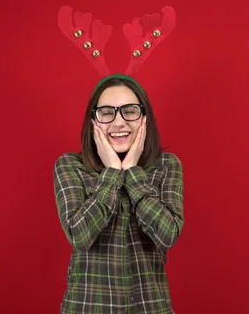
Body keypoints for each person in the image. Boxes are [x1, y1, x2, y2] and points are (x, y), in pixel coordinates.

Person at [53, 73, 184, 314]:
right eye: (106, 112)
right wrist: (113, 172)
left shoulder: (167, 166)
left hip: (151, 308)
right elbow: (79, 236)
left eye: (130, 111)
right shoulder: (70, 166)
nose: (119, 122)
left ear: (144, 118)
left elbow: (168, 235)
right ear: (94, 121)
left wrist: (133, 172)